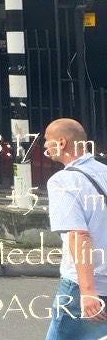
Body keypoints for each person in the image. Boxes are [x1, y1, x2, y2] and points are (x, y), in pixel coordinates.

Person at [44, 117, 107, 338]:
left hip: (90, 284)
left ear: (61, 142)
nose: (44, 146)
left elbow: (78, 235)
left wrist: (88, 292)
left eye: (47, 140)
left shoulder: (62, 181)